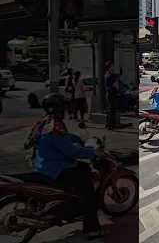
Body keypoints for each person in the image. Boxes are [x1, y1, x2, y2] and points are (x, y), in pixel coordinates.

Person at [31, 93, 104, 240]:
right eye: (63, 107)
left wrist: (76, 138)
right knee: (88, 191)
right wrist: (92, 153)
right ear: (58, 108)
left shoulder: (44, 123)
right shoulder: (54, 127)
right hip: (57, 169)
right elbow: (71, 151)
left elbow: (64, 139)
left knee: (81, 169)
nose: (65, 110)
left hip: (42, 164)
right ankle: (92, 229)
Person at [105, 61, 119, 130]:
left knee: (110, 110)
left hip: (110, 93)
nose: (113, 67)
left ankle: (108, 124)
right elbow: (113, 85)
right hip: (111, 94)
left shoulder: (108, 74)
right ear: (109, 67)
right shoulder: (110, 75)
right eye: (112, 66)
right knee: (111, 110)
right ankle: (110, 125)